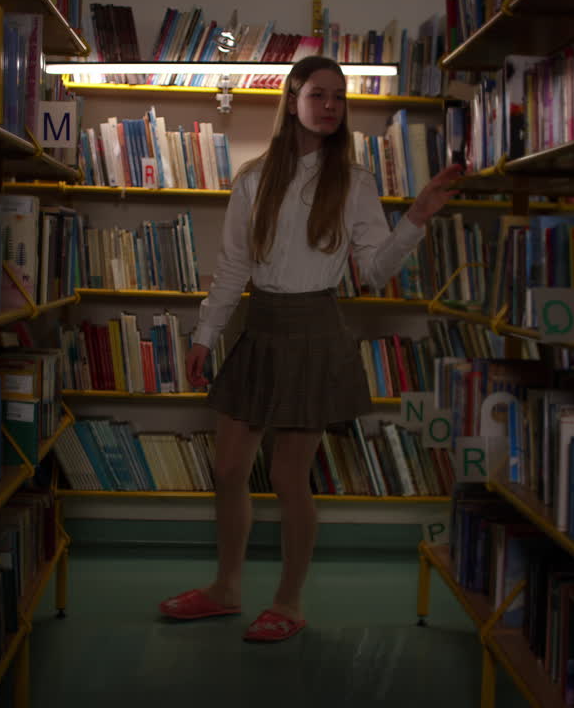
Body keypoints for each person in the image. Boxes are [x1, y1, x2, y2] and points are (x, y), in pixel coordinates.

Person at [158, 55, 463, 642]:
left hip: (316, 328)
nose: (330, 107)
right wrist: (204, 337)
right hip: (261, 325)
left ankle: (289, 603)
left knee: (288, 476)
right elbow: (232, 267)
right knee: (228, 469)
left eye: (339, 97)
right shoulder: (253, 178)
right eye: (319, 94)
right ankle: (225, 589)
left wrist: (417, 219)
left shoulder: (354, 181)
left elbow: (373, 272)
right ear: (292, 96)